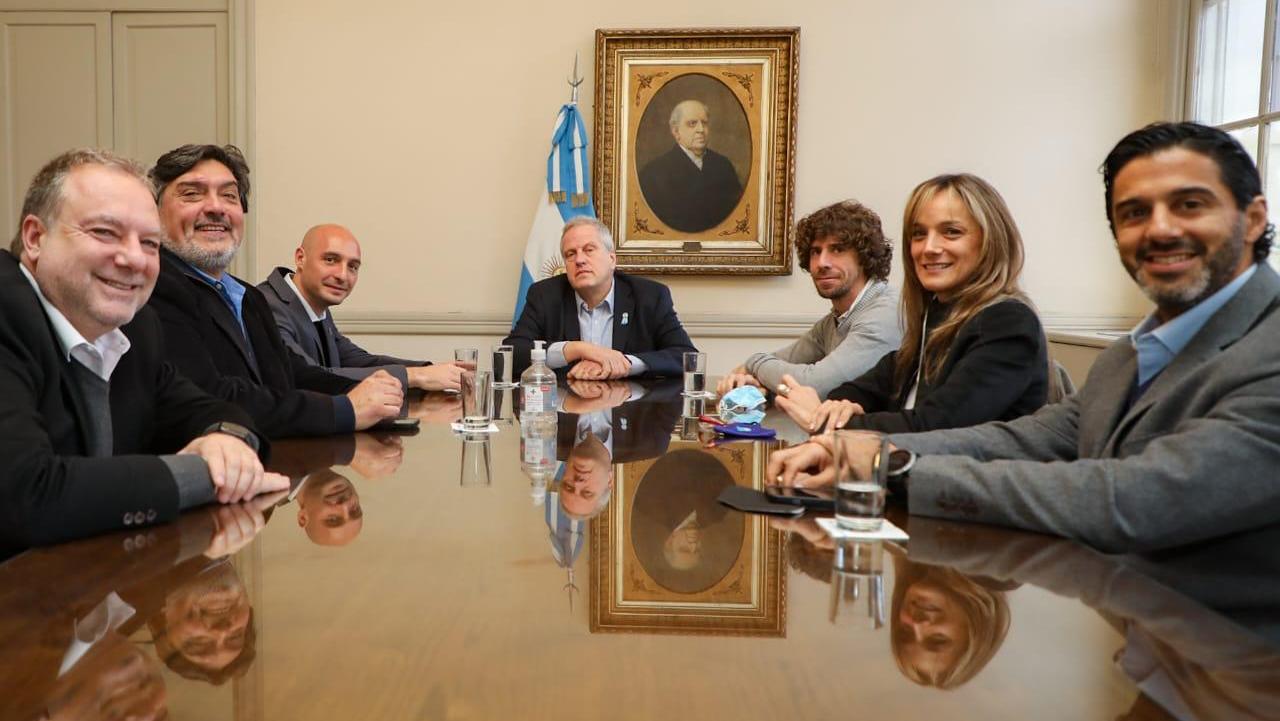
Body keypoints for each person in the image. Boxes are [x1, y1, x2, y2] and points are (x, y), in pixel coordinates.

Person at [769, 122, 1280, 553]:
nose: (1160, 230)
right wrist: (868, 451)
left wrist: (888, 466)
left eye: (1189, 205)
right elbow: (1027, 438)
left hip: (1225, 660)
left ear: (1254, 219)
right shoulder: (1129, 354)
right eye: (1134, 213)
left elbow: (1131, 499)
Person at [0, 148, 289, 549]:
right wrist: (204, 475)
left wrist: (228, 439)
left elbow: (210, 409)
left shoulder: (136, 327)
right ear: (35, 238)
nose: (135, 259)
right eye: (105, 232)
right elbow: (26, 497)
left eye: (150, 244)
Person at [144, 144, 403, 438]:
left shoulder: (247, 296)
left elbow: (291, 373)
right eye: (192, 193)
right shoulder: (150, 288)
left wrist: (372, 392)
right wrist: (345, 409)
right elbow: (212, 397)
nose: (216, 208)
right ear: (154, 210)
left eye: (229, 196)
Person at [776, 173, 1051, 435]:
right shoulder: (937, 313)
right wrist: (840, 406)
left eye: (951, 232)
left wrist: (827, 422)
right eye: (919, 234)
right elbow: (867, 386)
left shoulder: (1008, 322)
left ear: (990, 240)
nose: (929, 247)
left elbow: (936, 427)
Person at [717, 200, 902, 398]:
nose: (822, 263)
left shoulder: (885, 314)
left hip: (885, 429)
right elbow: (782, 362)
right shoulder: (835, 320)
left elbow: (814, 385)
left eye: (837, 249)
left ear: (864, 257)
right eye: (816, 252)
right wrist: (752, 379)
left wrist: (753, 363)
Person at [258, 223, 465, 391]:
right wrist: (417, 377)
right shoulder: (265, 305)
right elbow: (310, 376)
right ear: (300, 258)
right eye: (330, 260)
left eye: (353, 267)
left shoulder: (314, 303)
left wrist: (429, 370)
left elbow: (358, 360)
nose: (342, 276)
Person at [505, 216, 697, 379]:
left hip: (632, 415)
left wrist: (625, 364)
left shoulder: (650, 296)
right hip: (566, 414)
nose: (579, 260)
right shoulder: (545, 295)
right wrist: (576, 349)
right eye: (570, 254)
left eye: (589, 250)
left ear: (612, 259)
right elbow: (512, 353)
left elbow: (686, 357)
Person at [638, 99, 744, 233]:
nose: (701, 129)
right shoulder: (653, 174)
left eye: (704, 123)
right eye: (692, 124)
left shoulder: (723, 165)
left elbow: (736, 216)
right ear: (676, 132)